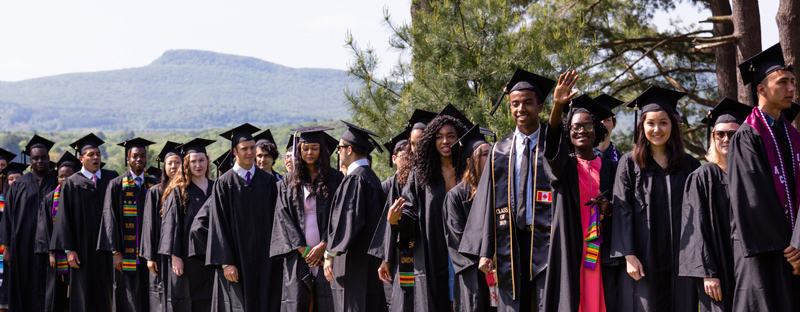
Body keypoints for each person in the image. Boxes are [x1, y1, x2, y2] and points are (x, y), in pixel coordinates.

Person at [460, 68, 557, 312]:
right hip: (510, 240)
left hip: (547, 240)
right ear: (509, 108)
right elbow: (489, 204)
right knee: (513, 305)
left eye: (528, 103)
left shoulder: (554, 145)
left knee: (547, 303)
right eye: (515, 104)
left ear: (541, 107)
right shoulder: (500, 150)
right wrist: (486, 250)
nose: (521, 109)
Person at [609, 86, 701, 312]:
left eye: (663, 122)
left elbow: (700, 214)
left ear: (673, 126)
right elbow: (623, 211)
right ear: (642, 127)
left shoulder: (690, 165)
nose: (657, 129)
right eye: (651, 123)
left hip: (683, 258)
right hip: (644, 257)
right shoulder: (629, 164)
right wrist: (628, 255)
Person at [728, 43, 800, 311]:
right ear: (761, 89)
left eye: (792, 82)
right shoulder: (747, 137)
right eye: (783, 82)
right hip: (765, 254)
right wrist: (791, 250)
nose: (791, 89)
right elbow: (754, 199)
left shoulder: (794, 138)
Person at [382, 106, 469, 311]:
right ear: (433, 140)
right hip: (434, 248)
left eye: (450, 136)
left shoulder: (469, 169)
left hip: (466, 246)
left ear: (460, 138)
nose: (445, 141)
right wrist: (396, 220)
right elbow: (411, 212)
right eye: (439, 137)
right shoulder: (422, 174)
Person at [541, 92, 620, 312]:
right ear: (568, 132)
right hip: (571, 249)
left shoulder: (613, 169)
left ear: (598, 130)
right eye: (575, 127)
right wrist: (558, 106)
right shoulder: (562, 168)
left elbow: (623, 210)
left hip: (601, 252)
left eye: (588, 125)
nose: (582, 130)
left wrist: (609, 210)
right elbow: (552, 142)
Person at [678, 98, 753, 312]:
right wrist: (707, 273)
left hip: (749, 268)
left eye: (733, 133)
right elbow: (694, 229)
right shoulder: (702, 176)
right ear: (713, 138)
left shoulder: (753, 176)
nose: (726, 138)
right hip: (717, 267)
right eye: (719, 134)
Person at [205, 123, 282, 311]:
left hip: (267, 260)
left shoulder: (268, 181)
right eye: (244, 149)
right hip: (238, 262)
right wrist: (227, 262)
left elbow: (278, 220)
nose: (250, 153)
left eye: (252, 148)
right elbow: (218, 224)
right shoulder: (224, 184)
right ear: (234, 152)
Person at [271, 127, 344, 311]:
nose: (309, 152)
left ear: (322, 151)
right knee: (300, 302)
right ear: (299, 150)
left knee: (328, 302)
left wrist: (324, 245)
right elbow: (283, 217)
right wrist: (305, 252)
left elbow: (340, 214)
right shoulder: (288, 181)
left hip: (328, 254)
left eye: (314, 148)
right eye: (305, 148)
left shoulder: (335, 178)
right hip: (299, 255)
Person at [323, 121, 388, 312]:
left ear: (349, 149)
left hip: (354, 264)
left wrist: (330, 253)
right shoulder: (371, 177)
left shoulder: (356, 179)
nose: (337, 152)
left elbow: (349, 220)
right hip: (369, 262)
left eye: (339, 148)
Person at [51, 133, 120, 311]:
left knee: (110, 294)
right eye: (90, 154)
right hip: (82, 250)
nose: (95, 157)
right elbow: (64, 218)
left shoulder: (112, 178)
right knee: (84, 295)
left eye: (97, 153)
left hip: (108, 249)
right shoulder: (72, 183)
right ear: (81, 159)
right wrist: (69, 250)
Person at [97, 138, 158, 312]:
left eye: (143, 156)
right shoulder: (116, 185)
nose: (139, 159)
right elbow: (110, 219)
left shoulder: (153, 184)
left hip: (149, 251)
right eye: (135, 156)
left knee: (150, 293)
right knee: (127, 294)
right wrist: (116, 252)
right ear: (127, 159)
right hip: (126, 251)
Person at [0, 135, 58, 311]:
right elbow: (8, 217)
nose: (39, 161)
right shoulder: (19, 185)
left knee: (50, 287)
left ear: (49, 158)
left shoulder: (57, 182)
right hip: (23, 246)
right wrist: (7, 248)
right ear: (30, 160)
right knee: (24, 285)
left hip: (51, 246)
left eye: (43, 157)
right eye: (35, 158)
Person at [159, 138, 217, 311]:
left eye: (201, 160)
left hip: (213, 256)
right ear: (186, 164)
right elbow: (170, 226)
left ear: (207, 161)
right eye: (193, 161)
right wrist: (175, 257)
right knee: (188, 300)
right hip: (187, 257)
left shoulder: (217, 188)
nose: (198, 165)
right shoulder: (178, 192)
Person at [442, 124, 492, 311]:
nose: (492, 157)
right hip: (473, 274)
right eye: (485, 154)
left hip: (499, 270)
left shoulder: (500, 191)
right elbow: (458, 239)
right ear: (471, 161)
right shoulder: (456, 196)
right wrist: (484, 257)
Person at [139, 141, 182, 311]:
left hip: (183, 251)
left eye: (177, 162)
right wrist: (150, 257)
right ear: (164, 167)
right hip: (160, 253)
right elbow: (148, 224)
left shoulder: (188, 190)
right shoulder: (155, 191)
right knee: (162, 293)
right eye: (169, 163)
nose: (173, 166)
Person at [36, 151, 79, 312]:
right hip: (57, 256)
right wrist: (51, 253)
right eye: (61, 176)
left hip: (78, 254)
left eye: (69, 176)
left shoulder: (82, 196)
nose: (64, 179)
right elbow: (44, 229)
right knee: (56, 295)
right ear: (57, 178)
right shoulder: (49, 200)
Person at [592, 94, 625, 161]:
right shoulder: (582, 157)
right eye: (598, 120)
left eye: (607, 120)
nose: (602, 124)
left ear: (614, 124)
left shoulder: (623, 160)